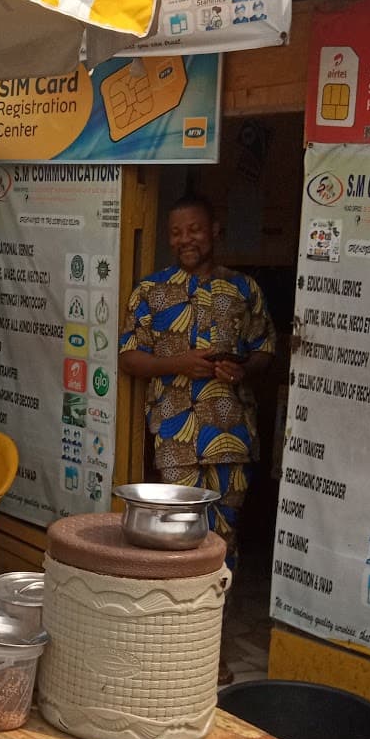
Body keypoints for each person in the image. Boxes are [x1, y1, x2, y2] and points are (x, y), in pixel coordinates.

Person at [118, 192, 275, 571]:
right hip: (176, 439)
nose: (185, 239)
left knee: (225, 539)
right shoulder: (149, 291)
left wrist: (243, 369)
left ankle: (216, 620)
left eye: (195, 230)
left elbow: (265, 349)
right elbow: (128, 357)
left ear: (214, 232)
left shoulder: (244, 289)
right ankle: (181, 625)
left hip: (232, 438)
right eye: (176, 233)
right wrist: (180, 363)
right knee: (176, 540)